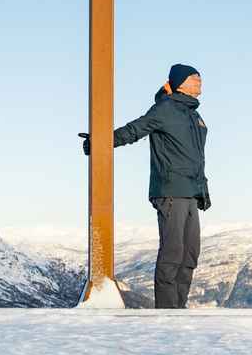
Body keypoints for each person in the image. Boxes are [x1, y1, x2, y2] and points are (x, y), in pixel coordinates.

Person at [81, 63, 210, 309]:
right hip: (171, 191)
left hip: (192, 193)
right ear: (180, 82)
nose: (199, 81)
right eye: (195, 78)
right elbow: (135, 130)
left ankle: (178, 308)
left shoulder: (194, 115)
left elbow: (197, 158)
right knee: (173, 252)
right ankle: (167, 312)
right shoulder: (165, 109)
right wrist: (100, 142)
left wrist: (203, 190)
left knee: (190, 254)